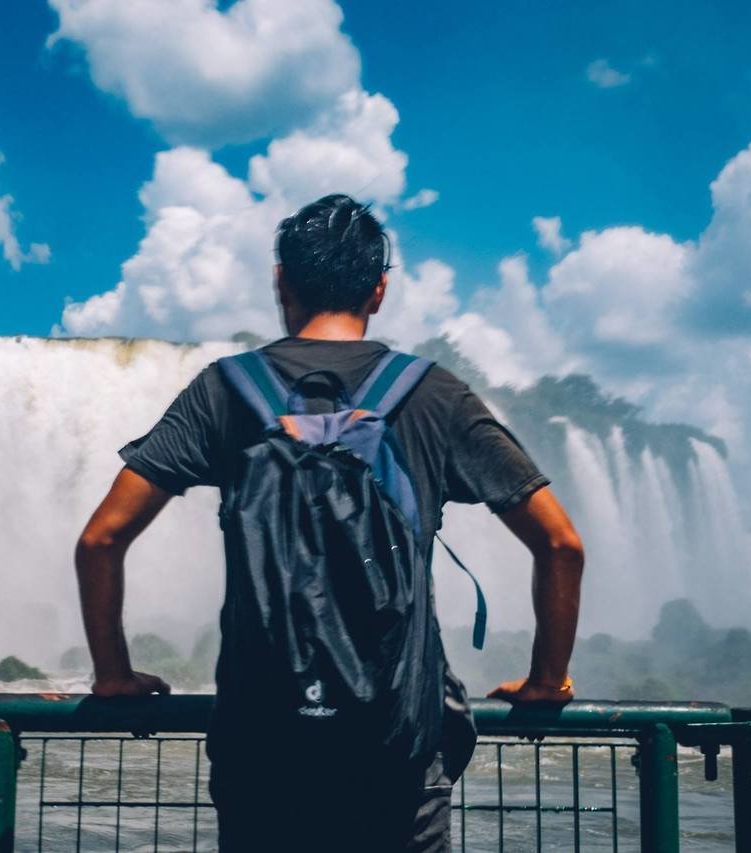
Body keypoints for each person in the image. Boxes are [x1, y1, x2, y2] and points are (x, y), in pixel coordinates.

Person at [76, 194, 585, 851]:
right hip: (397, 756)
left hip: (261, 750)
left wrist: (114, 673)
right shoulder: (434, 393)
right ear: (379, 288)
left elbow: (101, 539)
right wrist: (547, 679)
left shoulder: (223, 389)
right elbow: (561, 544)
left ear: (280, 280)